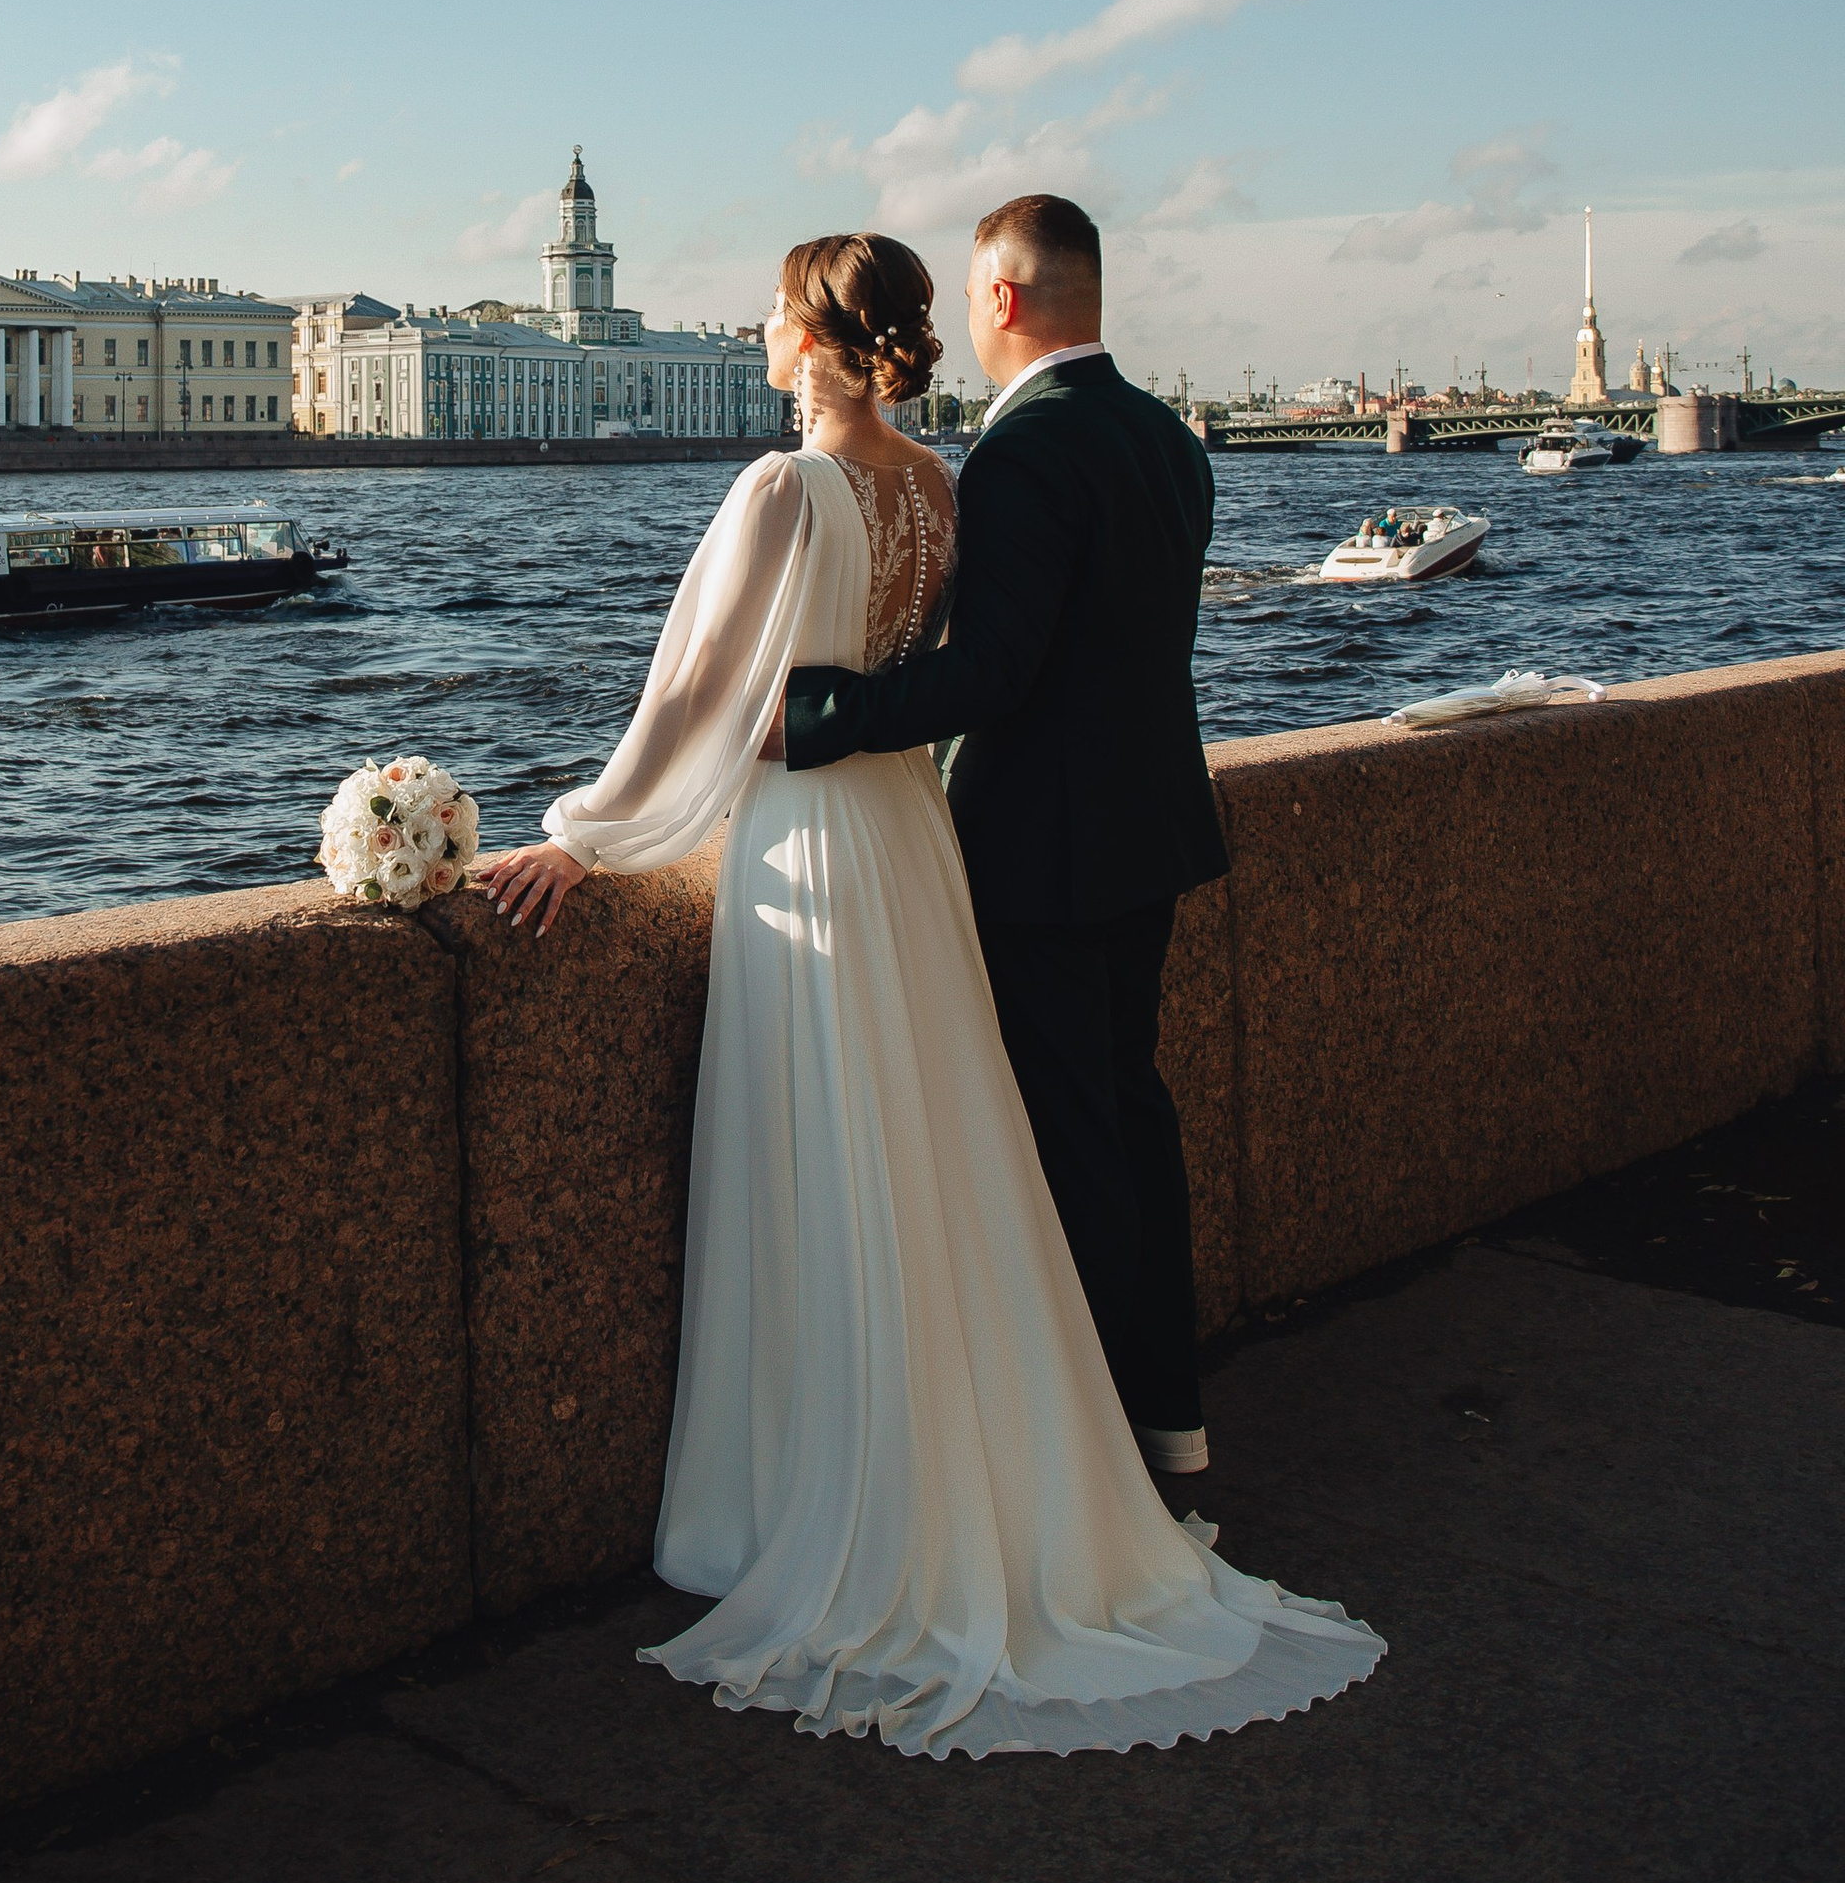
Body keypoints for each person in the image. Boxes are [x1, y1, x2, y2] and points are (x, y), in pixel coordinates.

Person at [477, 230, 1379, 1761]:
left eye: (771, 311)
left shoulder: (783, 487)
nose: (755, 329)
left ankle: (812, 1495)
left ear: (818, 337)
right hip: (914, 839)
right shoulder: (941, 485)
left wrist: (581, 835)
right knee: (940, 1156)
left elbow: (696, 696)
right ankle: (1064, 1449)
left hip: (819, 852)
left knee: (828, 1160)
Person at [782, 191, 1225, 1490]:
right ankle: (1167, 1418)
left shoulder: (1028, 452)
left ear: (1003, 299)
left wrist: (827, 712)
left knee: (1073, 1144)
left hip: (1047, 853)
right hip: (1151, 834)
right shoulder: (1164, 437)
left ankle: (1087, 1464)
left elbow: (997, 676)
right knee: (1135, 1121)